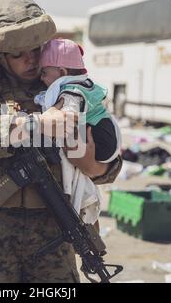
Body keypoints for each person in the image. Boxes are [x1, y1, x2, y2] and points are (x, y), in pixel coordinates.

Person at [0, 0, 123, 283]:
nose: (31, 60)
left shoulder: (65, 89)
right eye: (19, 54)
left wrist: (94, 167)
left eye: (35, 50)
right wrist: (37, 126)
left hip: (55, 233)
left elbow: (109, 155)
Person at [35, 38, 122, 226]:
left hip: (99, 141)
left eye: (44, 73)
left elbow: (70, 115)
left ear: (62, 72)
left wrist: (49, 117)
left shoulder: (71, 91)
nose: (41, 78)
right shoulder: (76, 85)